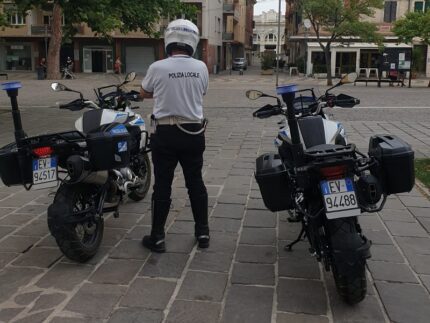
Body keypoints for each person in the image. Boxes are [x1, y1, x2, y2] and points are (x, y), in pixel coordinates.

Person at [139, 19, 209, 253]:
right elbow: (202, 91)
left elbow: (144, 92)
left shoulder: (157, 67)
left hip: (165, 133)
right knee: (195, 183)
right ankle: (203, 232)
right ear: (193, 41)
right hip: (193, 132)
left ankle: (157, 237)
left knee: (163, 186)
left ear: (169, 40)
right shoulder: (201, 67)